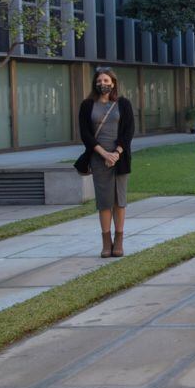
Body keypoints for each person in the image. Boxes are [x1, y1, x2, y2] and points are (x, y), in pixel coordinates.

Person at [76, 67, 135, 258]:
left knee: (120, 200)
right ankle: (106, 241)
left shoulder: (123, 104)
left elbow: (129, 131)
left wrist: (116, 153)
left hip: (120, 158)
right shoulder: (87, 105)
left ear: (113, 83)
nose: (103, 84)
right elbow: (85, 134)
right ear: (95, 83)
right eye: (100, 81)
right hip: (98, 157)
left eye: (106, 81)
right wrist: (104, 154)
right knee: (104, 201)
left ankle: (118, 240)